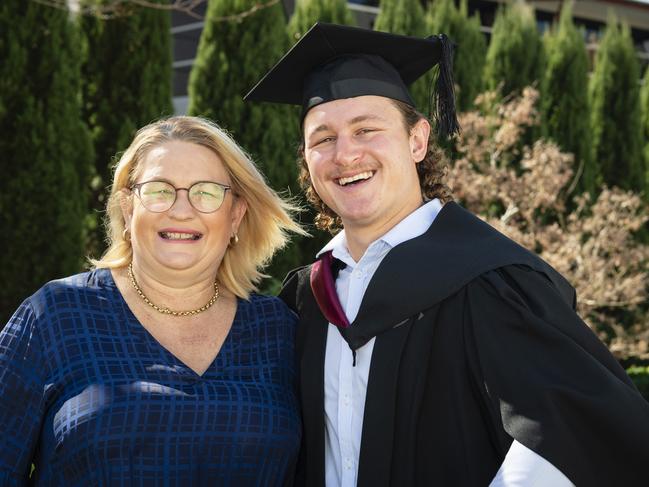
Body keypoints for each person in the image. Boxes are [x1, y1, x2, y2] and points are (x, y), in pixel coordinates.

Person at [245, 23, 649, 486]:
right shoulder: (305, 299)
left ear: (417, 140)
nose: (345, 154)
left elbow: (575, 435)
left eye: (367, 129)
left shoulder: (490, 282)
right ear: (307, 160)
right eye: (323, 138)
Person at [0, 116, 305, 485]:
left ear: (236, 215)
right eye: (159, 190)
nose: (181, 209)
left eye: (206, 192)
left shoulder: (279, 329)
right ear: (128, 208)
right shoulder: (55, 317)